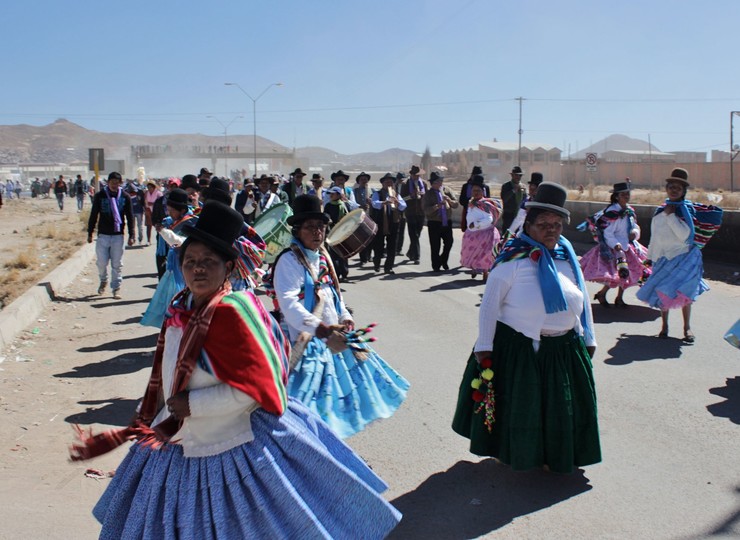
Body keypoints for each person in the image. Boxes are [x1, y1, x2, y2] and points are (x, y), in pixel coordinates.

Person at [73, 200, 402, 539]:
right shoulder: (181, 309)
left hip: (230, 438)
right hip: (181, 437)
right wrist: (154, 416)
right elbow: (168, 371)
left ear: (229, 268)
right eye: (190, 262)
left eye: (208, 262)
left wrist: (195, 405)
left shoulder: (232, 311)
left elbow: (255, 386)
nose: (198, 269)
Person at [452, 182, 600, 474]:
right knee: (526, 408)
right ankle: (518, 454)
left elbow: (583, 298)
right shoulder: (512, 261)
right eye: (544, 223)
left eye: (557, 224)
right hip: (521, 348)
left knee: (559, 409)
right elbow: (490, 306)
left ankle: (556, 456)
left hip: (564, 348)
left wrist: (589, 335)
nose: (551, 229)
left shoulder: (567, 259)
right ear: (528, 225)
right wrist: (484, 347)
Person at [270, 194, 410, 437]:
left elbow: (334, 291)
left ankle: (330, 446)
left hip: (331, 340)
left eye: (321, 227)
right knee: (304, 412)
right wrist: (322, 331)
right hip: (304, 345)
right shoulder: (289, 260)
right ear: (297, 230)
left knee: (337, 406)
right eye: (310, 227)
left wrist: (344, 316)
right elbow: (289, 304)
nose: (317, 232)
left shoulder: (323, 256)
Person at [636, 168, 723, 342]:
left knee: (686, 294)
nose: (674, 190)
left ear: (684, 191)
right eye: (671, 187)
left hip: (684, 258)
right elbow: (655, 236)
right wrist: (650, 257)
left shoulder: (684, 210)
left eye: (678, 188)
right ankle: (664, 327)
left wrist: (670, 217)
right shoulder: (660, 211)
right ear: (667, 189)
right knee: (663, 293)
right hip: (663, 259)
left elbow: (685, 236)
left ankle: (687, 328)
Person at [579, 181, 649, 307]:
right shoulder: (611, 213)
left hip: (627, 246)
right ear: (617, 196)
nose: (626, 196)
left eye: (627, 194)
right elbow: (608, 232)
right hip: (614, 247)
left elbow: (634, 226)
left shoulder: (629, 211)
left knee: (628, 273)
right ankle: (602, 294)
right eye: (623, 194)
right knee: (614, 274)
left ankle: (619, 298)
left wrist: (634, 233)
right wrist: (616, 245)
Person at [140, 188, 195, 328]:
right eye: (168, 209)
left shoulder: (190, 223)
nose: (169, 213)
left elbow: (180, 242)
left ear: (182, 210)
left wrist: (164, 232)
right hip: (173, 267)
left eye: (172, 210)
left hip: (184, 269)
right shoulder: (171, 221)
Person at [87, 172, 135, 299]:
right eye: (112, 182)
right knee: (101, 263)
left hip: (118, 236)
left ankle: (116, 288)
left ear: (120, 183)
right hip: (103, 235)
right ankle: (103, 280)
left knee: (117, 264)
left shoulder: (125, 197)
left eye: (117, 182)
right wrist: (90, 232)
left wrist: (132, 235)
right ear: (108, 182)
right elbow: (94, 214)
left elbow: (130, 217)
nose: (114, 185)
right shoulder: (100, 196)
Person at [460, 175, 501, 281]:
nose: (476, 193)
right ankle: (474, 269)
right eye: (474, 191)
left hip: (485, 234)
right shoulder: (471, 203)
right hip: (472, 234)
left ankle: (485, 272)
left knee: (485, 254)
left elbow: (489, 219)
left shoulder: (484, 204)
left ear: (482, 192)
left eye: (478, 191)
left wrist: (476, 224)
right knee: (472, 252)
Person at [370, 173, 407, 275]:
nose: (389, 184)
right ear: (383, 184)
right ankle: (377, 262)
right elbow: (374, 203)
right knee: (379, 245)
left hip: (393, 222)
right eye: (386, 182)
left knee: (392, 246)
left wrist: (397, 202)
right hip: (380, 221)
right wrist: (384, 202)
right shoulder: (378, 193)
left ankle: (388, 267)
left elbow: (403, 206)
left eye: (390, 182)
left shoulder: (396, 194)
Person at [423, 171, 459, 272]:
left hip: (446, 221)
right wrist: (437, 206)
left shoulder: (447, 190)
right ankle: (436, 265)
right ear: (433, 183)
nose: (440, 183)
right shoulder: (428, 194)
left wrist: (449, 201)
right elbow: (426, 210)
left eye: (441, 181)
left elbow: (456, 204)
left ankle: (443, 260)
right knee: (435, 245)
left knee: (449, 243)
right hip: (434, 222)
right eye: (438, 182)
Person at [399, 166, 427, 264]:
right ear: (411, 174)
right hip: (410, 212)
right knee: (413, 234)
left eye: (417, 175)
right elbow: (401, 199)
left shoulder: (424, 184)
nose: (416, 177)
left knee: (417, 234)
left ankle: (411, 252)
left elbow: (427, 197)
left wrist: (422, 194)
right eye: (414, 175)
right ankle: (416, 256)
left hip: (421, 212)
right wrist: (411, 196)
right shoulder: (405, 184)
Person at [324, 186, 352, 280]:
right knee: (334, 254)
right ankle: (336, 274)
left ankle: (344, 274)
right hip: (332, 232)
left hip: (343, 231)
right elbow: (325, 215)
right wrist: (328, 219)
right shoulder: (328, 205)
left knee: (343, 253)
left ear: (338, 195)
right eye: (330, 194)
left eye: (333, 193)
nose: (331, 195)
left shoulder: (344, 205)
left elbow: (350, 217)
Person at [507, 172, 544, 237]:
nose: (531, 191)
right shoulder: (527, 201)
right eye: (530, 188)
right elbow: (518, 219)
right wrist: (509, 232)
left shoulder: (543, 203)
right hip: (524, 233)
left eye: (534, 189)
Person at [459, 166, 491, 233]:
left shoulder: (486, 187)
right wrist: (471, 203)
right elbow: (461, 201)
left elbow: (489, 201)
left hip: (483, 215)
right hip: (469, 212)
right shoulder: (466, 186)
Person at [500, 165, 527, 232]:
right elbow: (504, 199)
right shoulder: (506, 186)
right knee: (506, 235)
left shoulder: (523, 186)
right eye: (516, 175)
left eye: (520, 175)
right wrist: (513, 191)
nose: (518, 177)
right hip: (509, 215)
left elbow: (525, 200)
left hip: (519, 216)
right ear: (512, 175)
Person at [144, 180, 163, 244]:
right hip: (149, 211)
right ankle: (148, 240)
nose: (149, 188)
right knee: (148, 226)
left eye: (150, 187)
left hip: (157, 212)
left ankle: (160, 239)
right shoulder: (146, 193)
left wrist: (153, 204)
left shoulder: (158, 193)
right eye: (148, 187)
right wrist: (147, 206)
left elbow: (161, 203)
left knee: (158, 226)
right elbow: (145, 201)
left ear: (153, 187)